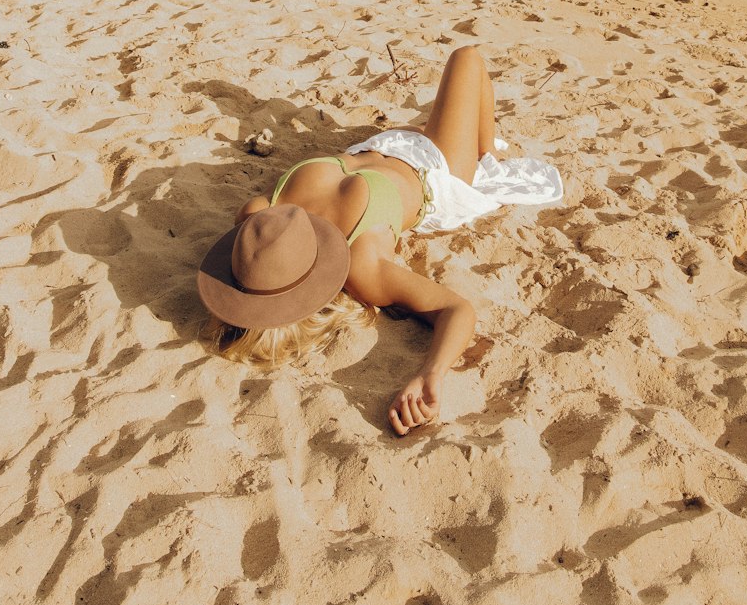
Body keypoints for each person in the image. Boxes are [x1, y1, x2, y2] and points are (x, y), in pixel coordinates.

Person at [197, 45, 562, 436]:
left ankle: (485, 149)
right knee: (466, 58)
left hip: (383, 147)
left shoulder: (262, 228)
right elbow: (456, 309)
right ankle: (486, 152)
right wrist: (430, 372)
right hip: (436, 167)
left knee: (464, 66)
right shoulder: (359, 262)